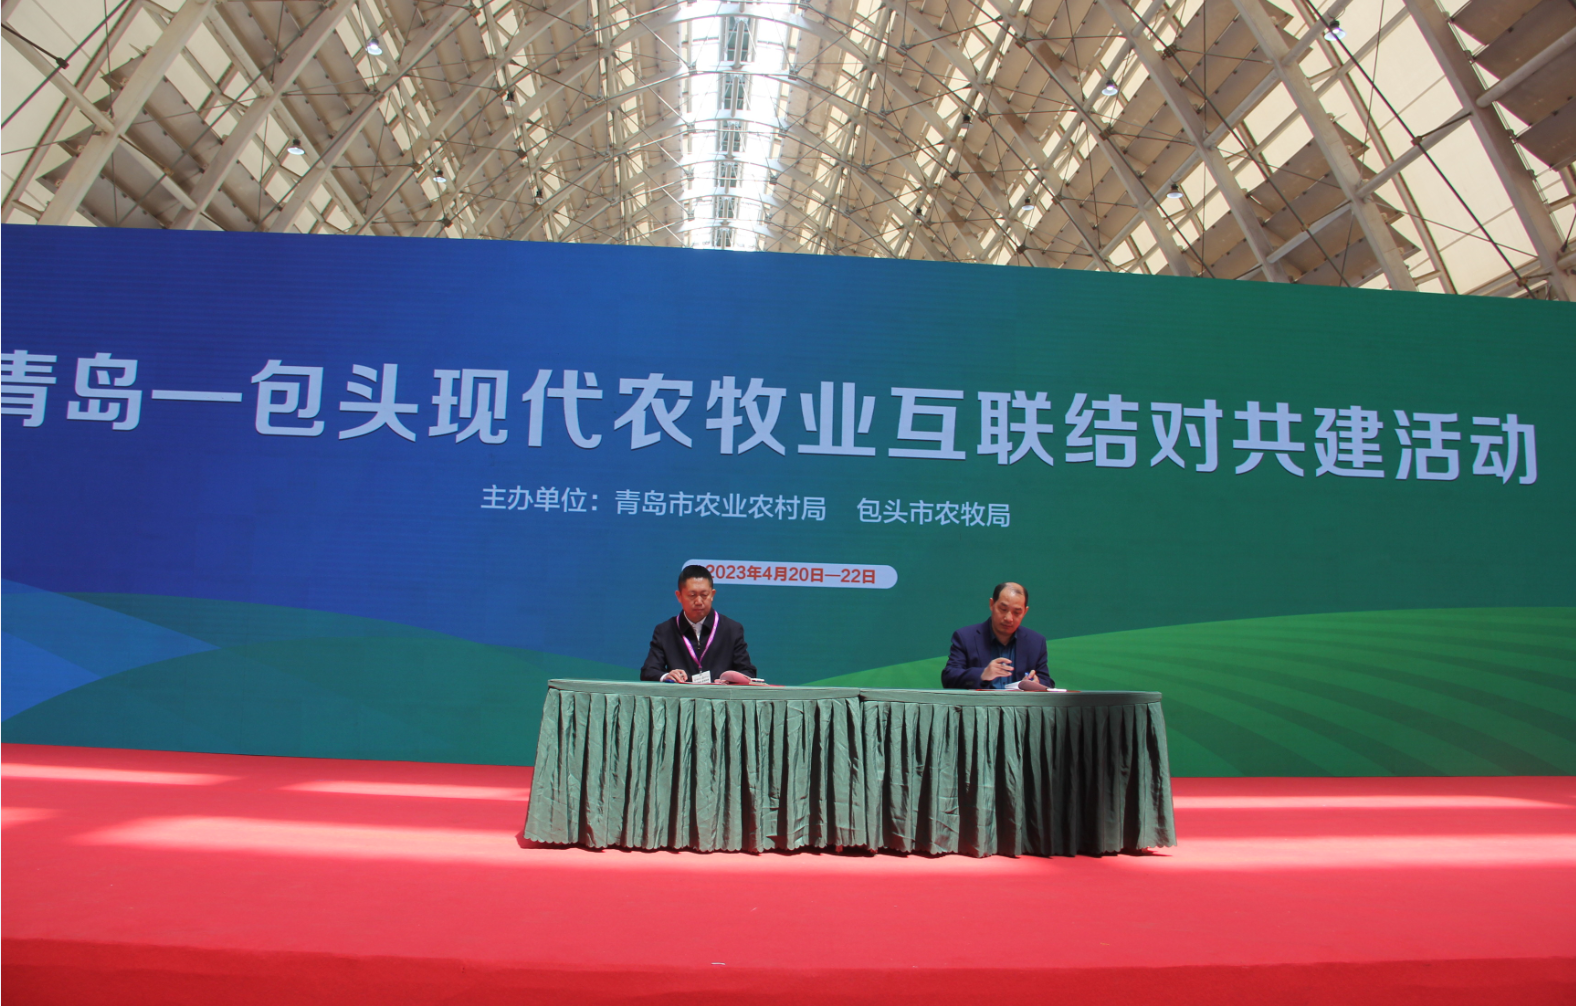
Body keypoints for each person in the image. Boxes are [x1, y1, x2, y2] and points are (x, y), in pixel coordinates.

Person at [640, 564, 757, 683]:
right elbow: (648, 671)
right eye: (692, 595)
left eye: (704, 595)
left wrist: (730, 681)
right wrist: (666, 676)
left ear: (712, 595)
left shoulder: (732, 629)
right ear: (679, 596)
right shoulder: (665, 631)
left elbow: (748, 672)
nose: (698, 601)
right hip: (681, 694)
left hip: (720, 694)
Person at [940, 582, 1053, 689]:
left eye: (1017, 612)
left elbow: (1047, 682)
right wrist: (983, 674)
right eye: (1003, 609)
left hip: (1019, 703)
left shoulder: (1036, 642)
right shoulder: (965, 637)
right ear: (992, 604)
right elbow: (949, 679)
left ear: (1025, 612)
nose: (1009, 618)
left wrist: (1036, 682)